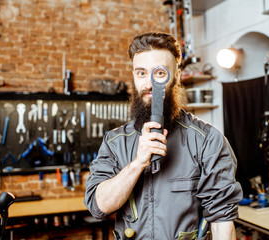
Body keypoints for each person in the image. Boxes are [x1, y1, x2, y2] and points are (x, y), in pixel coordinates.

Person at [84, 32, 243, 240]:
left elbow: (223, 224)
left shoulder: (207, 140)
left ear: (175, 77)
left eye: (159, 73)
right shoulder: (115, 142)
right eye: (141, 73)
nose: (149, 84)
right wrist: (137, 164)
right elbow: (100, 206)